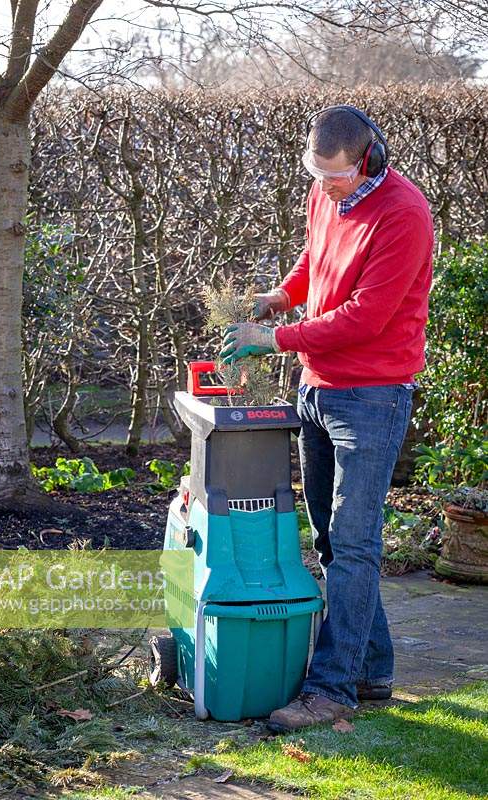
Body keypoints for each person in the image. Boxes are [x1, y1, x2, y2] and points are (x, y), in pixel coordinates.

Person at [220, 105, 434, 732]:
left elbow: (367, 316)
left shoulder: (403, 213)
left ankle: (332, 689)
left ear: (366, 157)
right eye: (316, 172)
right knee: (335, 541)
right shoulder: (326, 194)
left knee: (356, 543)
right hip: (317, 387)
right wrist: (280, 296)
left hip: (372, 394)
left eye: (335, 176)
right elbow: (316, 262)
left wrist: (278, 337)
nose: (325, 185)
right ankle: (372, 670)